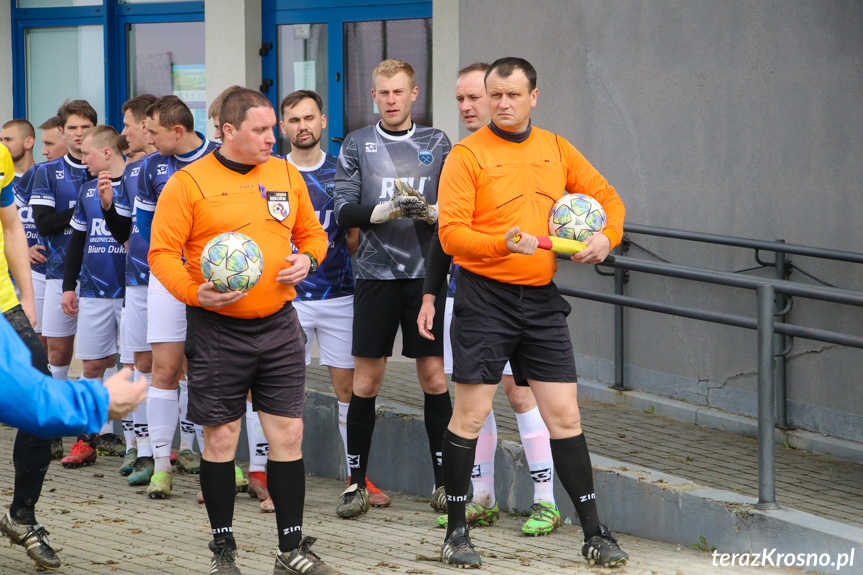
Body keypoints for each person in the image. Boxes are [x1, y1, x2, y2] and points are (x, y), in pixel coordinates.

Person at [436, 57, 629, 568]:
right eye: (493, 95)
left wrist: (604, 239)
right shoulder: (466, 155)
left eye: (512, 95)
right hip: (484, 298)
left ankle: (593, 533)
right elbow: (450, 234)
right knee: (471, 415)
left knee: (564, 416)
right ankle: (457, 533)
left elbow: (607, 198)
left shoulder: (556, 148)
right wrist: (501, 243)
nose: (501, 104)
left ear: (534, 97)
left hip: (540, 301)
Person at [149, 88, 338, 575]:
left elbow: (313, 234)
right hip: (217, 329)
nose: (272, 138)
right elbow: (162, 255)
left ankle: (290, 550)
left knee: (289, 435)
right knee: (221, 438)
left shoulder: (284, 173)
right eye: (260, 130)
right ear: (228, 131)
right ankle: (222, 551)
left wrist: (307, 259)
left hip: (278, 324)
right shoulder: (188, 183)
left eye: (272, 128)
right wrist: (195, 294)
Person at [418, 63, 561, 536]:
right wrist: (431, 295)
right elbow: (445, 237)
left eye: (474, 97)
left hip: (520, 294)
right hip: (469, 296)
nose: (469, 107)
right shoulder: (461, 155)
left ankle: (545, 500)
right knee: (473, 402)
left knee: (520, 393)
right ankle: (481, 496)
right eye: (461, 100)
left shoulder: (527, 149)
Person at [332, 59, 453, 519]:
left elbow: (455, 205)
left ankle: (445, 486)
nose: (391, 100)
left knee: (434, 378)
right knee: (367, 380)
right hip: (374, 277)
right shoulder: (358, 144)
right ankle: (355, 484)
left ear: (414, 93)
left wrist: (431, 212)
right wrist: (381, 212)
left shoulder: (437, 142)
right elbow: (342, 210)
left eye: (399, 92)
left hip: (426, 278)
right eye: (383, 93)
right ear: (374, 94)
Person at [280, 90, 392, 508]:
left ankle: (357, 479)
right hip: (286, 297)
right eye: (294, 119)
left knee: (350, 389)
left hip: (341, 295)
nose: (302, 126)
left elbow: (353, 235)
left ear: (323, 122)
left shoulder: (342, 169)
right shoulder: (274, 173)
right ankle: (267, 477)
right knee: (280, 389)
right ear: (283, 126)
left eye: (309, 118)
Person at [136, 95, 219, 498]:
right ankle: (160, 466)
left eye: (153, 132)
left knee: (213, 373)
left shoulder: (220, 158)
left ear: (178, 131)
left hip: (215, 283)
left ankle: (219, 464)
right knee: (165, 370)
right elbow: (147, 230)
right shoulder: (150, 167)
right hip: (168, 279)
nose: (147, 139)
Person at [59, 125, 129, 470]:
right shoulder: (87, 190)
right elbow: (76, 242)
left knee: (134, 366)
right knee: (91, 366)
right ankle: (88, 439)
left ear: (106, 153)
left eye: (86, 152)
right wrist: (68, 285)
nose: (80, 157)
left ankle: (137, 445)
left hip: (133, 291)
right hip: (95, 291)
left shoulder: (135, 181)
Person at [100, 94, 159, 483]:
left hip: (175, 283)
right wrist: (107, 206)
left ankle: (185, 449)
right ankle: (146, 451)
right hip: (135, 282)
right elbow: (124, 233)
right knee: (139, 365)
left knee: (180, 366)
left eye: (126, 125)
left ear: (146, 125)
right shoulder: (132, 174)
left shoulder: (182, 166)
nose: (123, 133)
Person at [30, 101, 95, 392]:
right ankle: (56, 426)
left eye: (85, 127)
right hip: (58, 273)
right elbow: (43, 224)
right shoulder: (47, 171)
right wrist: (84, 208)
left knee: (99, 357)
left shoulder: (107, 165)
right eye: (72, 127)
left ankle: (96, 429)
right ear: (62, 131)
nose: (79, 133)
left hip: (103, 274)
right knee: (57, 353)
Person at [12, 116, 66, 460]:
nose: (2, 146)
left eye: (7, 139)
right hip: (30, 271)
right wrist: (23, 248)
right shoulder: (25, 179)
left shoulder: (71, 172)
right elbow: (12, 224)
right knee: (38, 345)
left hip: (65, 273)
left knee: (52, 350)